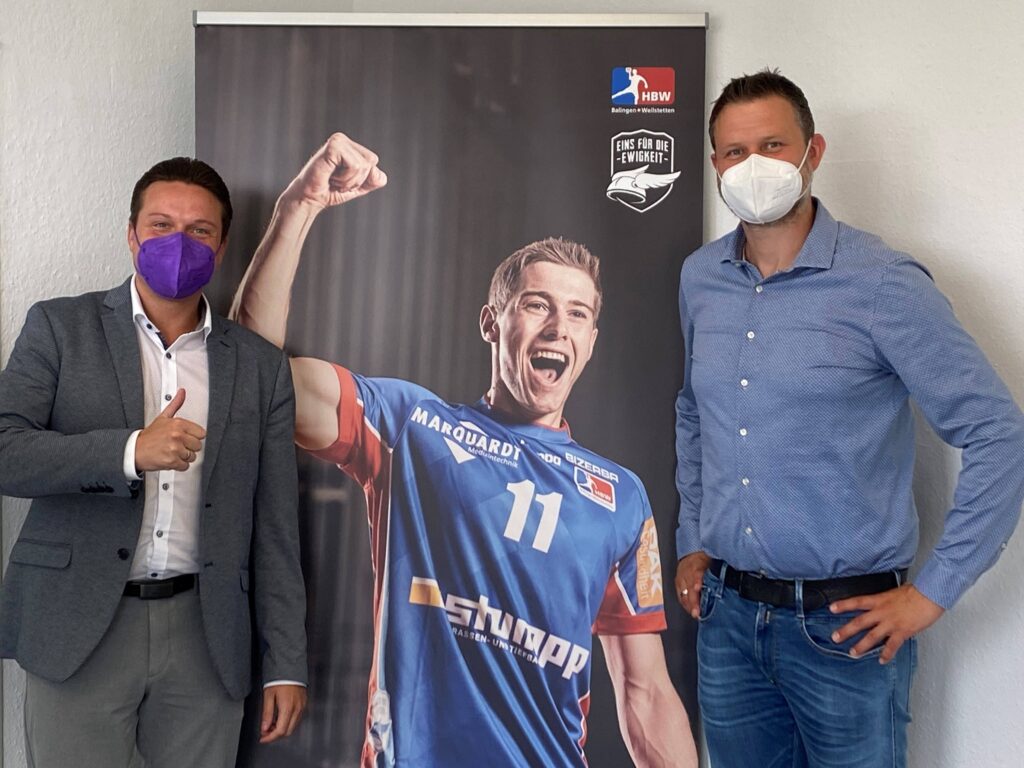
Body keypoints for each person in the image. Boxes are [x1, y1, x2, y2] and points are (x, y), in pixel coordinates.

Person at [230, 133, 698, 768]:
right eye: (537, 305)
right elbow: (255, 381)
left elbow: (646, 693)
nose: (558, 327)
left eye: (578, 314)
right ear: (491, 322)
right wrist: (299, 206)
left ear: (591, 341)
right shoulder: (411, 424)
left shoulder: (621, 496)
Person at [673, 69, 1024, 768]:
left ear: (813, 152)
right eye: (735, 152)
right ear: (715, 165)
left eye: (773, 145)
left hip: (845, 633)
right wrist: (693, 537)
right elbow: (694, 412)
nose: (754, 166)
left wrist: (931, 594)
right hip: (728, 622)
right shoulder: (700, 278)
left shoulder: (883, 284)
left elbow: (998, 432)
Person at [0, 157, 309, 768]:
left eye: (199, 230)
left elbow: (276, 527)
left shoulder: (261, 366)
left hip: (207, 633)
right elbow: (6, 450)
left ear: (221, 245)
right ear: (132, 234)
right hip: (80, 622)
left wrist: (286, 663)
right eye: (161, 225)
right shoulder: (60, 327)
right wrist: (128, 451)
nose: (178, 242)